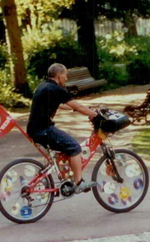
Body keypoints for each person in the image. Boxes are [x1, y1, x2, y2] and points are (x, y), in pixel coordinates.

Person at [27, 63, 99, 192]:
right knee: (74, 148)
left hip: (35, 130)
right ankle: (78, 183)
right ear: (59, 76)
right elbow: (78, 106)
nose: (66, 78)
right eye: (65, 75)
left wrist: (77, 110)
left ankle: (65, 178)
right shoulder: (57, 89)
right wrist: (95, 115)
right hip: (44, 130)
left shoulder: (44, 86)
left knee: (63, 149)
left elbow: (61, 105)